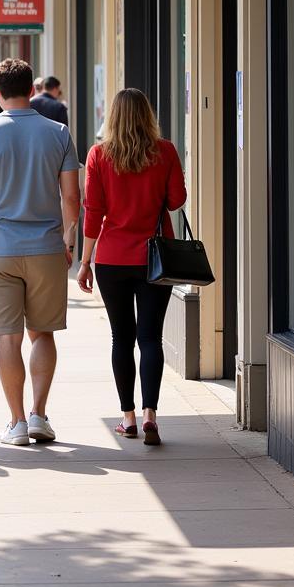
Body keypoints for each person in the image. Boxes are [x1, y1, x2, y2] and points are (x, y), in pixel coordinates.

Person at [0, 58, 81, 447]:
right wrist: (68, 240)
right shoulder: (58, 132)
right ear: (31, 88)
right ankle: (40, 415)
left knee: (7, 339)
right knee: (42, 333)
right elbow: (72, 197)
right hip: (46, 247)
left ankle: (17, 423)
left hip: (0, 249)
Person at [76, 89, 186, 447]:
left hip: (112, 258)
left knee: (121, 338)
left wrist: (85, 261)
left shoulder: (99, 155)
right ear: (147, 115)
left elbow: (93, 211)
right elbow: (176, 201)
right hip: (155, 259)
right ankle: (151, 414)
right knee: (150, 337)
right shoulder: (165, 150)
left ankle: (128, 418)